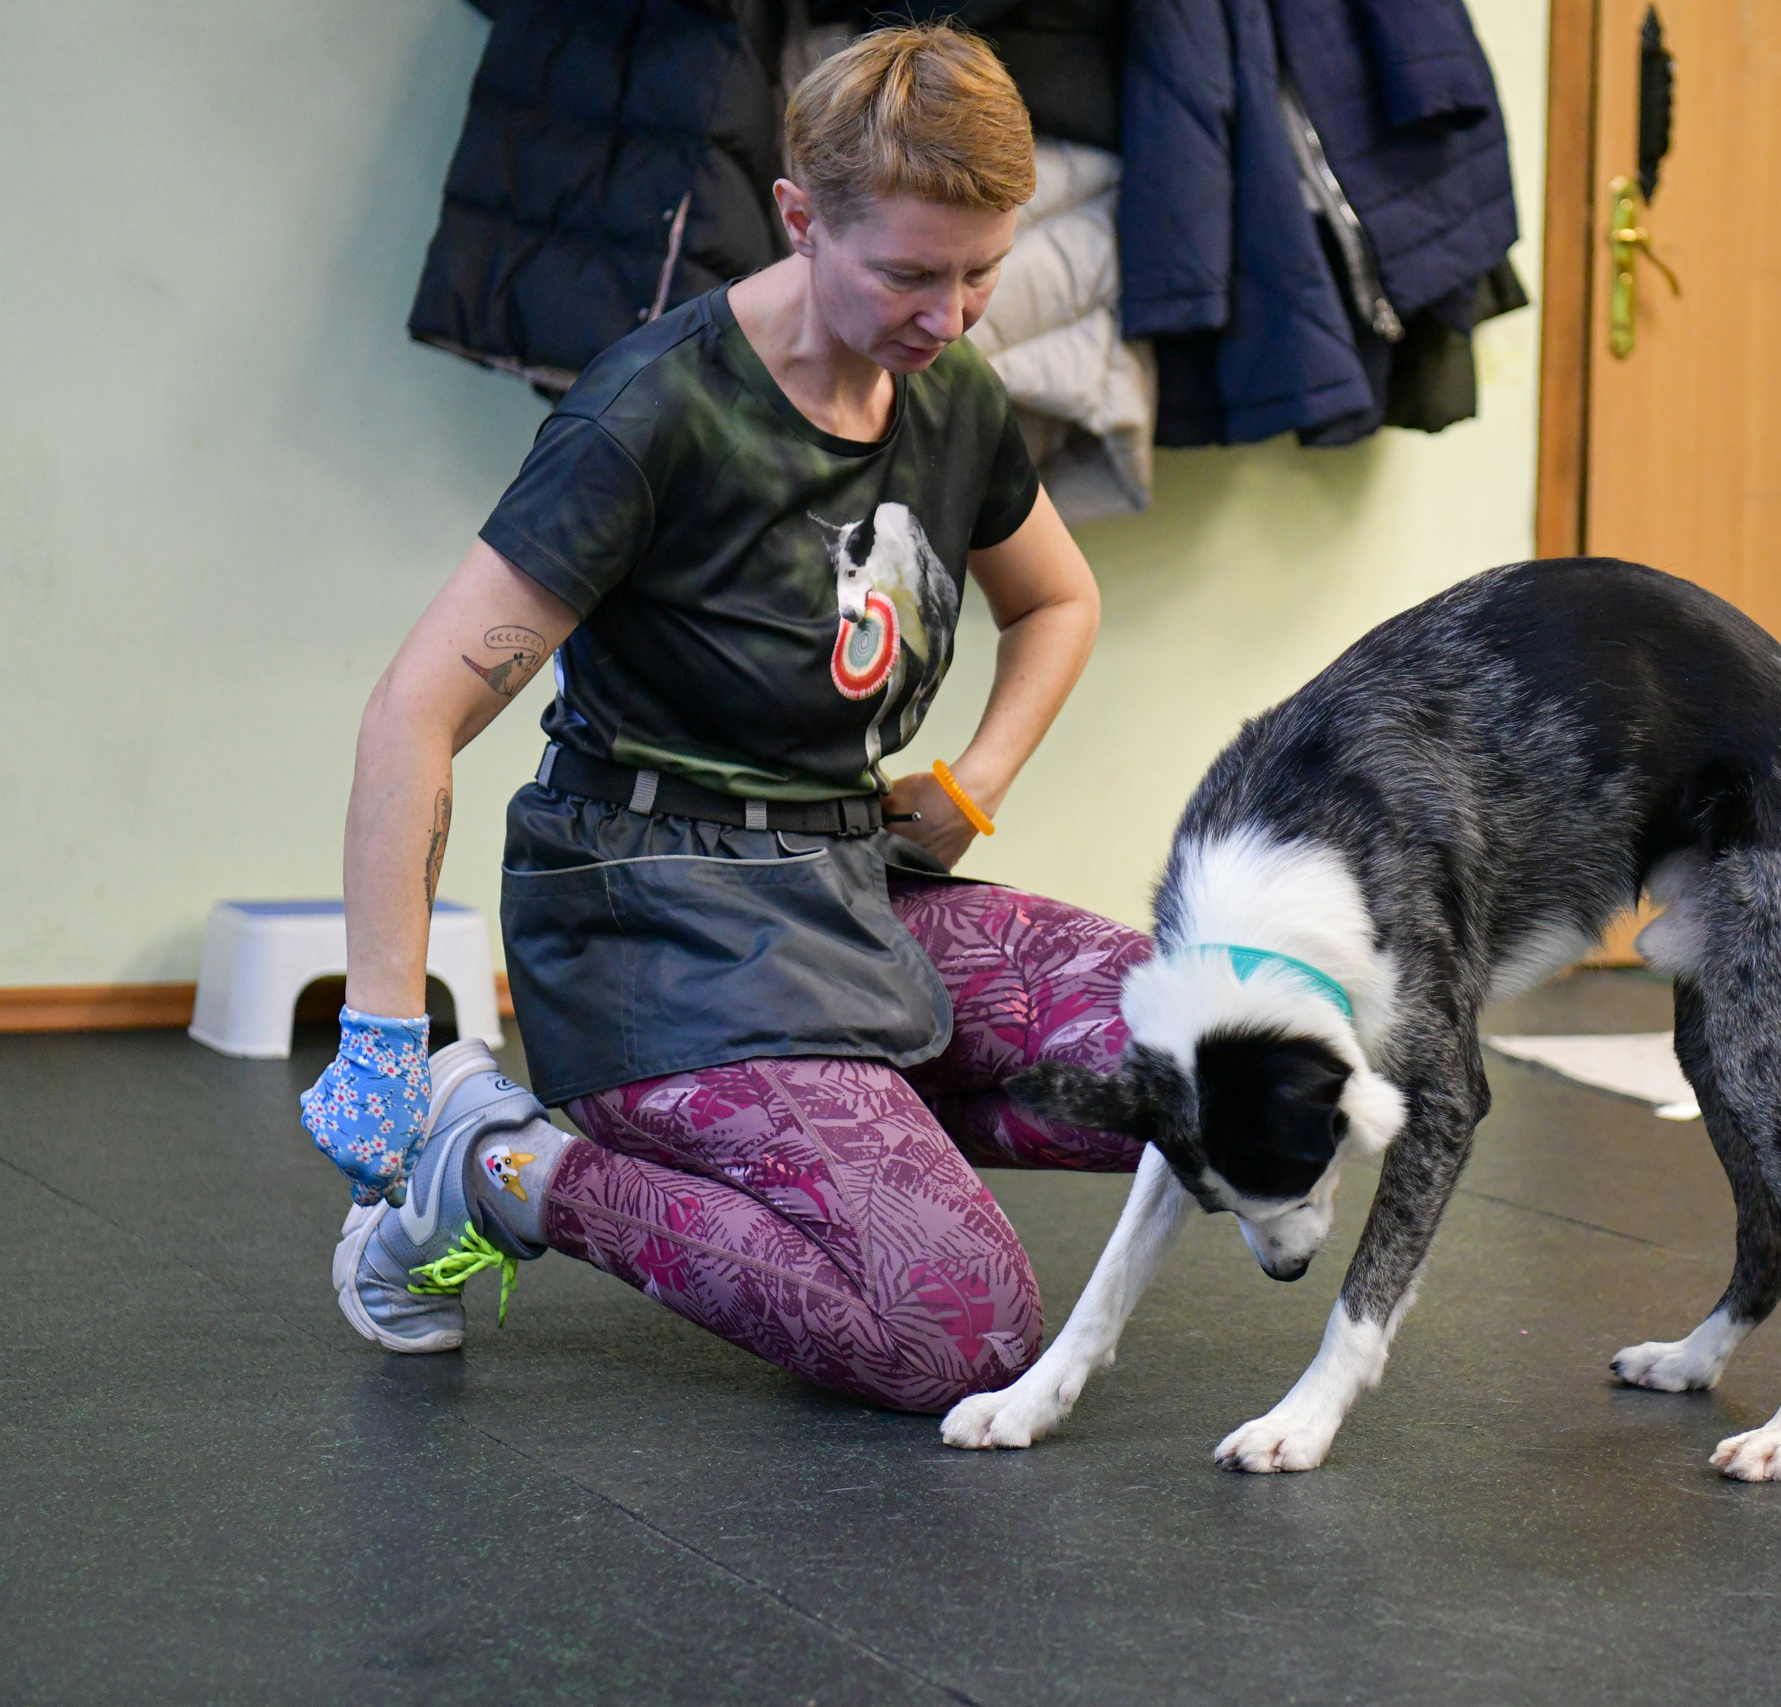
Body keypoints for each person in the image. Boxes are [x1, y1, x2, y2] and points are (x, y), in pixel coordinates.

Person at [300, 25, 1148, 1412]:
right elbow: (412, 712)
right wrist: (385, 1031)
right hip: (656, 920)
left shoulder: (953, 397)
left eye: (984, 270)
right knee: (960, 1333)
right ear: (801, 218)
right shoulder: (651, 412)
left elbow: (1058, 601)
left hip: (850, 889)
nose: (952, 315)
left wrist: (975, 780)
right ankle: (502, 1166)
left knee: (1230, 1055)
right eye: (911, 275)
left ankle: (837, 1133)